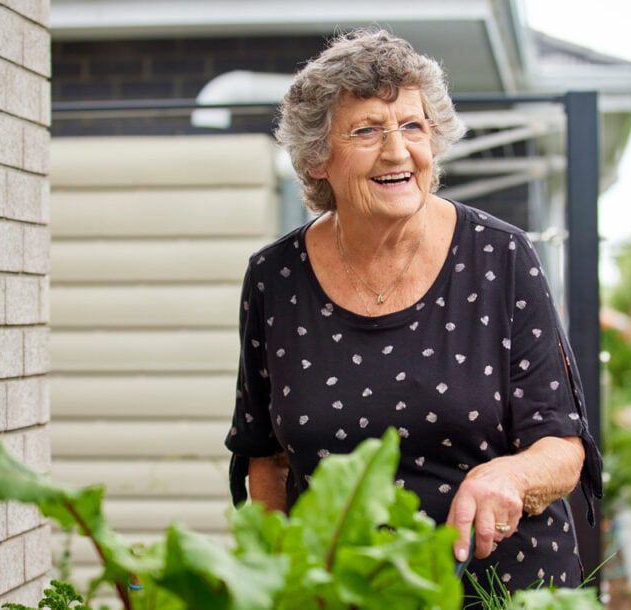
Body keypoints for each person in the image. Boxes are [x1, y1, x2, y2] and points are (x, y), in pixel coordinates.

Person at [224, 28, 602, 603]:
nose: (398, 151)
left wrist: (509, 476)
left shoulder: (501, 257)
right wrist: (280, 581)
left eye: (412, 126)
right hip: (346, 592)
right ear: (318, 158)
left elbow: (561, 445)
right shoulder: (275, 279)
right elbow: (266, 459)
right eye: (367, 130)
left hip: (502, 588)